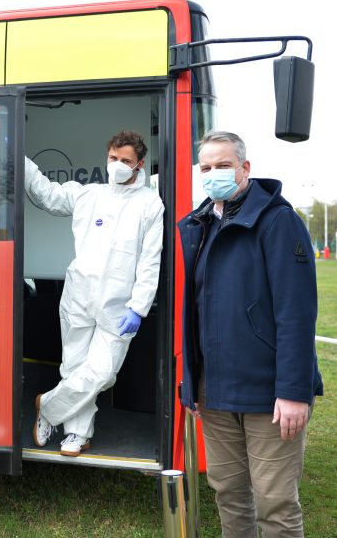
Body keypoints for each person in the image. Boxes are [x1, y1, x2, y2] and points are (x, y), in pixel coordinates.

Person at [178, 131, 322, 537]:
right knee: (229, 495)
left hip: (269, 396)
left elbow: (296, 314)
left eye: (223, 165)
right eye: (205, 167)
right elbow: (194, 313)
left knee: (275, 504)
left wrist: (294, 391)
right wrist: (193, 385)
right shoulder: (198, 225)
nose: (213, 174)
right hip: (215, 394)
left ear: (245, 168)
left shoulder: (278, 221)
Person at [29, 130, 164, 456]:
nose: (118, 166)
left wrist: (139, 307)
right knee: (74, 366)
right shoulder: (89, 194)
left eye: (126, 161)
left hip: (119, 305)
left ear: (139, 164)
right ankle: (77, 434)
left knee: (102, 372)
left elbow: (150, 259)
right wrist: (18, 159)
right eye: (113, 159)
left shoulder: (149, 204)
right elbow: (47, 194)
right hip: (79, 295)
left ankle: (47, 407)